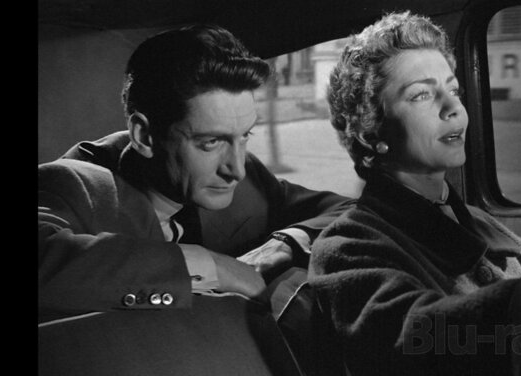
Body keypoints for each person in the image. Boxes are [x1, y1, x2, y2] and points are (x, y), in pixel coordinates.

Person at [307, 11, 521, 376]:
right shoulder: (347, 247)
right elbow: (414, 345)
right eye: (421, 95)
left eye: (453, 89)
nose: (453, 109)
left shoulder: (480, 222)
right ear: (371, 132)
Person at [38, 24, 353, 318]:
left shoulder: (249, 177)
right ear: (144, 136)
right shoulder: (69, 185)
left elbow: (348, 210)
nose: (236, 170)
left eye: (245, 135)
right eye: (211, 142)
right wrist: (214, 268)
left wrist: (284, 243)